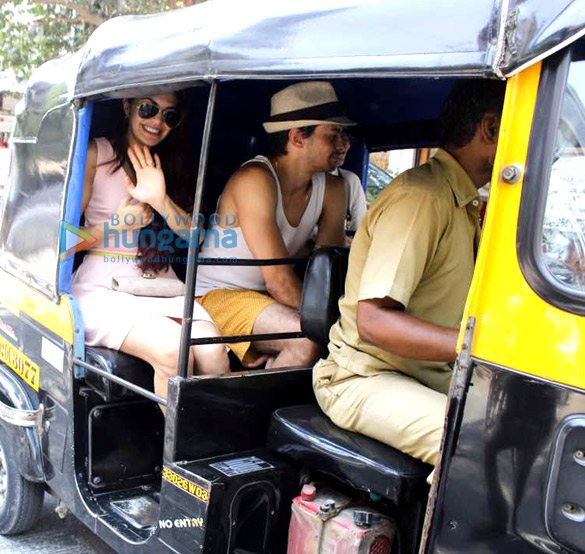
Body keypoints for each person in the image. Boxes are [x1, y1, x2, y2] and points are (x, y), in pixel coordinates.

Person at [312, 80, 506, 471]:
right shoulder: (423, 198)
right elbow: (373, 321)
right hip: (362, 378)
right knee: (471, 446)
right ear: (490, 129)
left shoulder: (466, 204)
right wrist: (478, 345)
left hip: (423, 376)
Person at [72, 93, 230, 403]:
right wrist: (117, 225)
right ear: (127, 106)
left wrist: (160, 200)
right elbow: (62, 243)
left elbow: (194, 239)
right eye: (148, 108)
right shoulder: (97, 154)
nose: (157, 121)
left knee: (213, 354)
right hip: (103, 286)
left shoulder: (174, 163)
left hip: (161, 285)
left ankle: (212, 448)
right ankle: (183, 452)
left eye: (169, 116)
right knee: (173, 349)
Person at [195, 81, 350, 368]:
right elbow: (278, 280)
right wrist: (337, 327)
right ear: (298, 137)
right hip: (218, 295)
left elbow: (327, 271)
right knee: (306, 339)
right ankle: (256, 414)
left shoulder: (334, 189)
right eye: (333, 134)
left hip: (267, 300)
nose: (343, 144)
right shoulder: (255, 179)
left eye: (343, 133)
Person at [331, 133, 367, 236]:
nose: (342, 147)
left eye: (347, 138)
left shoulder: (350, 181)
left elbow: (359, 235)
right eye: (332, 136)